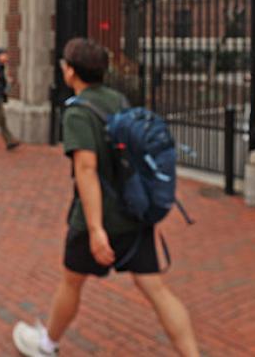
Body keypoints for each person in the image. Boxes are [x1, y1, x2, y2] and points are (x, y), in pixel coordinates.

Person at [12, 38, 199, 357]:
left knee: (71, 282)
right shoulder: (118, 99)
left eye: (64, 66)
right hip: (134, 213)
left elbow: (86, 169)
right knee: (156, 289)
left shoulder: (78, 113)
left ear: (71, 71)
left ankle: (47, 345)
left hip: (94, 219)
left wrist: (97, 229)